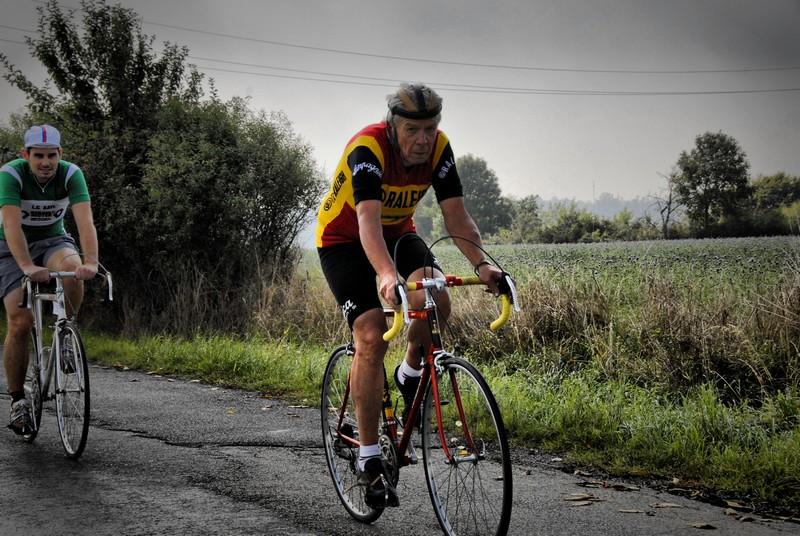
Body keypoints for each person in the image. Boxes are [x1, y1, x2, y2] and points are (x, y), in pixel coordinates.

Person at [316, 83, 503, 508]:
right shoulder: (368, 148)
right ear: (392, 126)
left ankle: (409, 374)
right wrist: (386, 275)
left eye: (430, 129)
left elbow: (457, 216)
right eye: (412, 130)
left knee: (436, 298)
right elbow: (366, 221)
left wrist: (483, 266)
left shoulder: (439, 150)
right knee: (371, 333)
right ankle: (368, 457)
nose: (423, 139)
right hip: (344, 240)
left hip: (398, 233)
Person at [1, 124, 99, 435]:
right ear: (26, 155)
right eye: (39, 156)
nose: (46, 163)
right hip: (9, 247)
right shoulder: (11, 174)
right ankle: (18, 401)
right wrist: (27, 266)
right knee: (20, 321)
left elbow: (85, 221)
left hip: (53, 241)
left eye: (51, 156)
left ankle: (66, 331)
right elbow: (12, 226)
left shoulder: (71, 174)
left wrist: (91, 262)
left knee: (72, 269)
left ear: (60, 154)